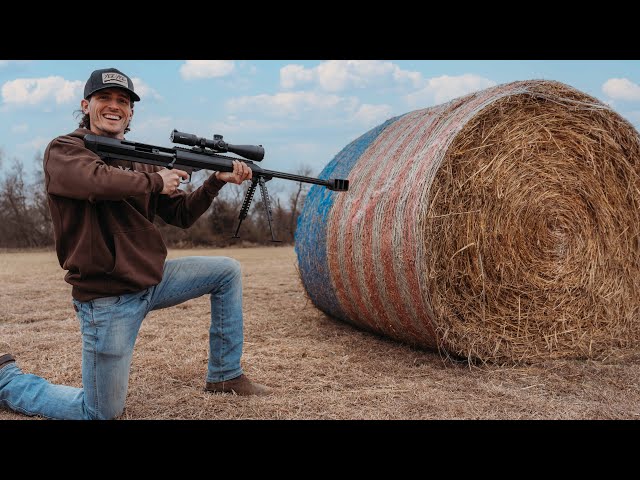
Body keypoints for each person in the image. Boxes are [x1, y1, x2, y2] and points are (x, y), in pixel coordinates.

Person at [0, 67, 272, 420]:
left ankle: (224, 375)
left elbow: (181, 215)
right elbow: (96, 181)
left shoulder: (141, 159)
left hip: (152, 282)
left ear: (130, 113)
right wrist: (156, 182)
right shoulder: (65, 149)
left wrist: (214, 182)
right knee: (98, 413)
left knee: (226, 271)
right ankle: (7, 381)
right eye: (105, 99)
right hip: (108, 300)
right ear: (87, 105)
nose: (114, 106)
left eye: (123, 102)